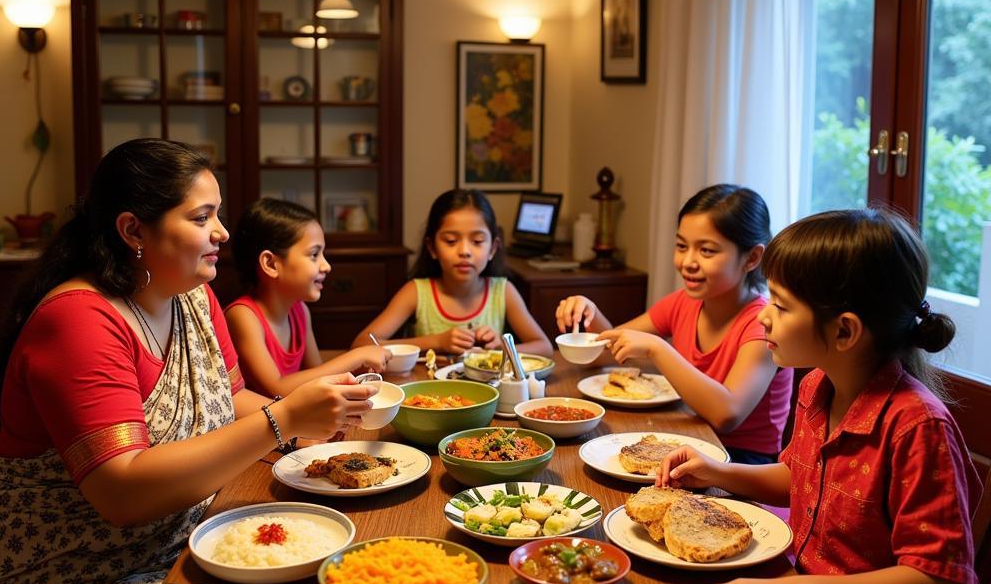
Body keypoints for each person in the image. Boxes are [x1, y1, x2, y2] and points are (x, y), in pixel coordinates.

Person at [0, 139, 375, 584]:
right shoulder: (81, 320)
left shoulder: (189, 296)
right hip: (58, 583)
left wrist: (311, 439)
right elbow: (122, 490)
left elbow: (229, 399)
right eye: (201, 216)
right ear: (133, 230)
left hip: (167, 543)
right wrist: (282, 421)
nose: (221, 233)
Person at [622, 208, 989, 584]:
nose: (763, 314)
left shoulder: (917, 425)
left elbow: (935, 583)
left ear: (844, 331)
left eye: (782, 305)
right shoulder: (820, 385)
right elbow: (801, 480)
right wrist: (721, 471)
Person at [556, 184, 791, 463]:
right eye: (681, 246)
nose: (687, 262)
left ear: (752, 258)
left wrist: (659, 349)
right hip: (689, 435)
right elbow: (607, 352)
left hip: (743, 461)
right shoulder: (683, 303)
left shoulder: (762, 324)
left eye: (707, 251)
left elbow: (726, 415)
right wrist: (589, 313)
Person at [352, 188, 552, 357]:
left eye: (477, 241)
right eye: (450, 241)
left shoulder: (503, 291)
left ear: (492, 248)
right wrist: (437, 341)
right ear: (431, 247)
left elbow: (544, 347)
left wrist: (500, 346)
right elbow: (362, 345)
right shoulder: (416, 292)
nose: (464, 251)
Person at [225, 197, 391, 397]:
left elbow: (316, 374)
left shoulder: (299, 310)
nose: (326, 266)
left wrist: (359, 368)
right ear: (270, 264)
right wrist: (356, 356)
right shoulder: (243, 316)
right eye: (314, 255)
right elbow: (277, 388)